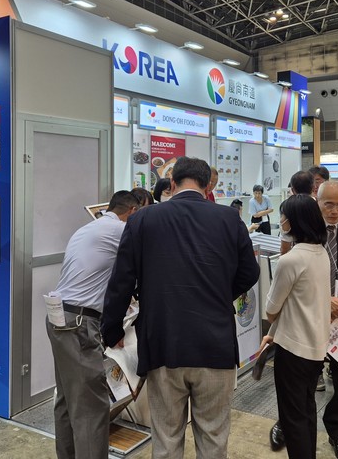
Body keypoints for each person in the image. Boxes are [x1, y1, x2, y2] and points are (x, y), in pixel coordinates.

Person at [102, 157, 259, 459]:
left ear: (172, 183)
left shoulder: (143, 219)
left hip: (163, 342)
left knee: (166, 438)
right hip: (215, 343)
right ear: (208, 185)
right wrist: (219, 295)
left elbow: (121, 280)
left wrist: (111, 330)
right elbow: (249, 273)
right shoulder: (229, 218)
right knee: (213, 438)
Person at [269, 181, 338, 459]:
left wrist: (337, 304)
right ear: (318, 202)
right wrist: (324, 302)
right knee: (300, 380)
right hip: (306, 316)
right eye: (329, 204)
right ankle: (287, 423)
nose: (335, 210)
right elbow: (293, 269)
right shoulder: (306, 229)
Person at [46, 190, 140, 459]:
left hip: (59, 317)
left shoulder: (88, 228)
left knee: (67, 399)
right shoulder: (120, 230)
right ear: (132, 212)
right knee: (91, 407)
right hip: (79, 324)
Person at [263, 195, 331, 459]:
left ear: (293, 222)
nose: (281, 221)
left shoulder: (290, 260)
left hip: (292, 348)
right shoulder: (321, 252)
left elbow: (271, 310)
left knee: (292, 417)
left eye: (283, 216)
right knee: (306, 409)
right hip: (315, 346)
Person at [280, 171, 316, 255]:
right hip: (318, 253)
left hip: (296, 254)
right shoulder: (319, 205)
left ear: (292, 190)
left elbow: (285, 245)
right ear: (313, 187)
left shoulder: (287, 207)